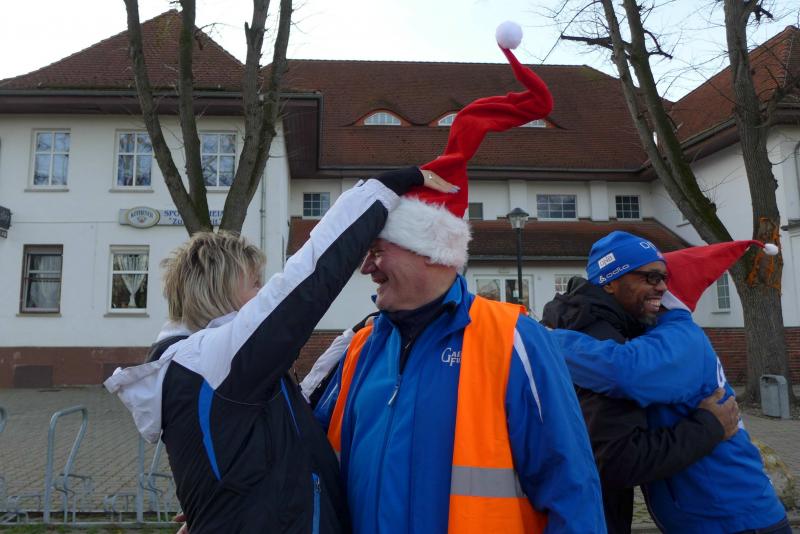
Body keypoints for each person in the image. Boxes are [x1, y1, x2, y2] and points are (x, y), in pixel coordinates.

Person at [313, 23, 605, 533]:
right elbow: (306, 455)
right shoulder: (359, 348)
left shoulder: (514, 340)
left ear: (433, 252)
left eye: (378, 250)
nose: (366, 267)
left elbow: (572, 491)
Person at [104, 165, 456, 533]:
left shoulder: (211, 371)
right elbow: (307, 280)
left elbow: (289, 416)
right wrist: (382, 189)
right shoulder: (213, 361)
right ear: (218, 292)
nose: (263, 295)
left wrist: (354, 335)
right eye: (255, 284)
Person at [551, 240, 789, 534]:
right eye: (651, 277)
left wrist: (546, 339)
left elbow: (623, 371)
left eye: (664, 278)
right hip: (721, 518)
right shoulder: (659, 336)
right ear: (610, 282)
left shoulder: (680, 338)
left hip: (735, 520)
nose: (660, 286)